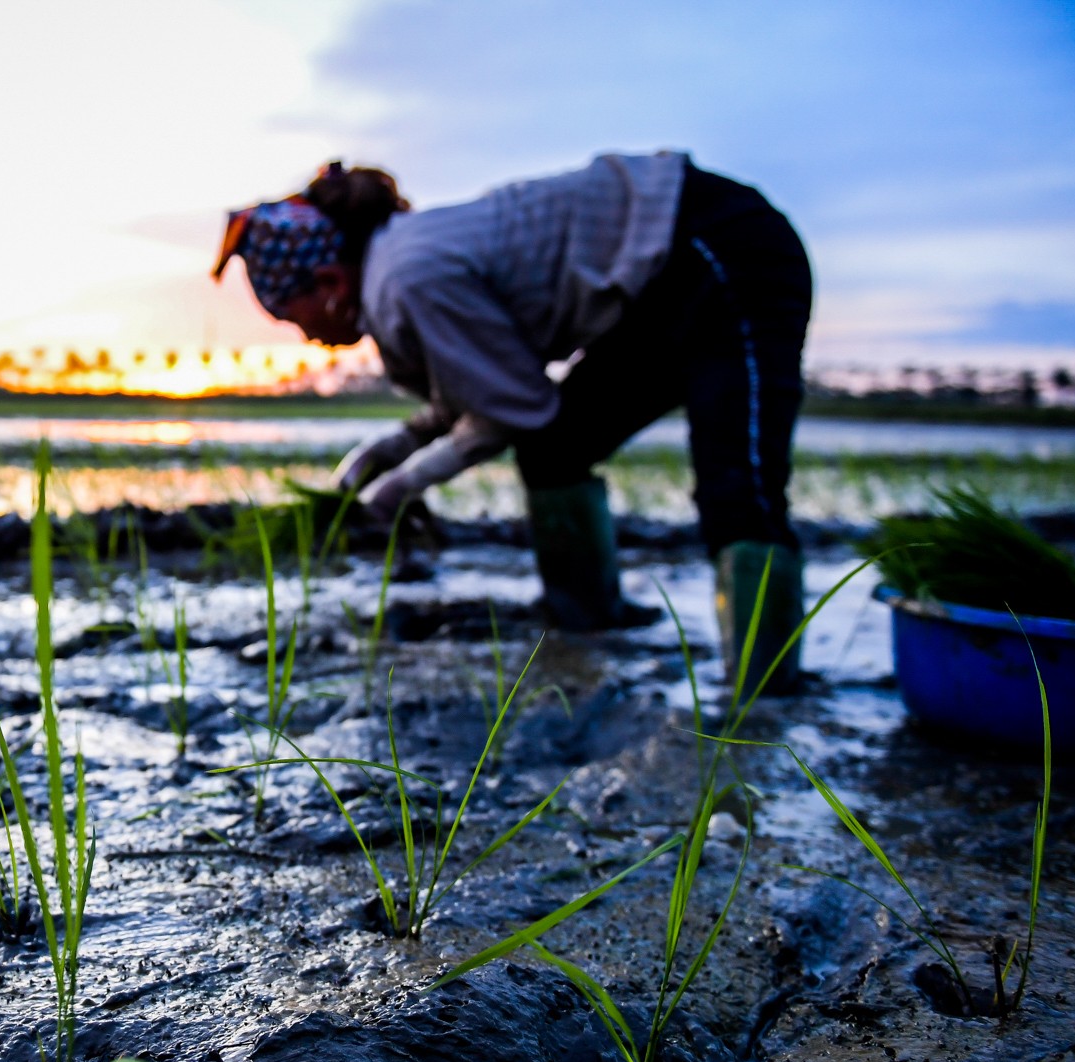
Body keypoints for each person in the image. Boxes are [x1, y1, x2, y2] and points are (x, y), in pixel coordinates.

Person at [212, 153, 814, 693]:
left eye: (296, 319)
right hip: (658, 287)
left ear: (329, 282)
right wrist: (392, 447)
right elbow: (483, 390)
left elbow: (513, 408)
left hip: (722, 246)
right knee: (555, 450)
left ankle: (764, 701)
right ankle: (592, 629)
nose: (308, 337)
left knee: (739, 484)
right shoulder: (399, 273)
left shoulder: (407, 276)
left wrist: (401, 486)